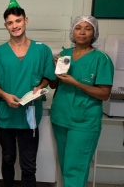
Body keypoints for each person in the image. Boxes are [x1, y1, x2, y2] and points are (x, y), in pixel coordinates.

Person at [0, 0, 56, 187]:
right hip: (5, 117)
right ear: (5, 26)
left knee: (28, 165)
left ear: (26, 20)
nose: (14, 25)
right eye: (10, 23)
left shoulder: (42, 51)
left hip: (30, 117)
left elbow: (48, 77)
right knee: (8, 159)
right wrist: (5, 95)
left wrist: (40, 87)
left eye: (18, 21)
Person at [49, 16, 114, 187]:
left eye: (88, 28)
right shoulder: (65, 55)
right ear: (73, 31)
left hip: (84, 122)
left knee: (75, 168)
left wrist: (76, 83)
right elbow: (54, 84)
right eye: (78, 28)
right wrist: (54, 68)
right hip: (61, 118)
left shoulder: (101, 59)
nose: (82, 32)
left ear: (94, 33)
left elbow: (104, 93)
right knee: (65, 164)